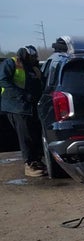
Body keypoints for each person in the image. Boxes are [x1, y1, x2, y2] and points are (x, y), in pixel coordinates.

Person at [0, 45, 45, 177]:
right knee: (25, 136)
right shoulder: (12, 63)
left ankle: (37, 161)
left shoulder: (32, 68)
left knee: (33, 135)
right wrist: (22, 94)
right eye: (33, 57)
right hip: (17, 106)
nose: (35, 59)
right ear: (26, 55)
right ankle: (29, 164)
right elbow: (3, 80)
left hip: (31, 107)